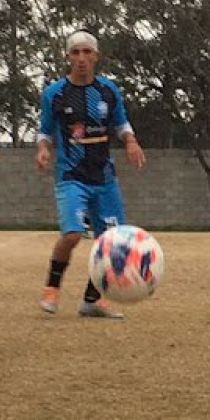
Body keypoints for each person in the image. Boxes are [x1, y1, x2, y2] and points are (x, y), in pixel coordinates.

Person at [36, 30, 146, 320]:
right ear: (67, 57)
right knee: (72, 234)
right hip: (71, 176)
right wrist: (43, 149)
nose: (81, 58)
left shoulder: (108, 91)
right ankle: (51, 287)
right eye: (75, 53)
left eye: (87, 52)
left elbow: (122, 124)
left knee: (111, 243)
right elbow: (45, 131)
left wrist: (131, 142)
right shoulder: (54, 93)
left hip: (104, 179)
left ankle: (92, 300)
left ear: (96, 56)